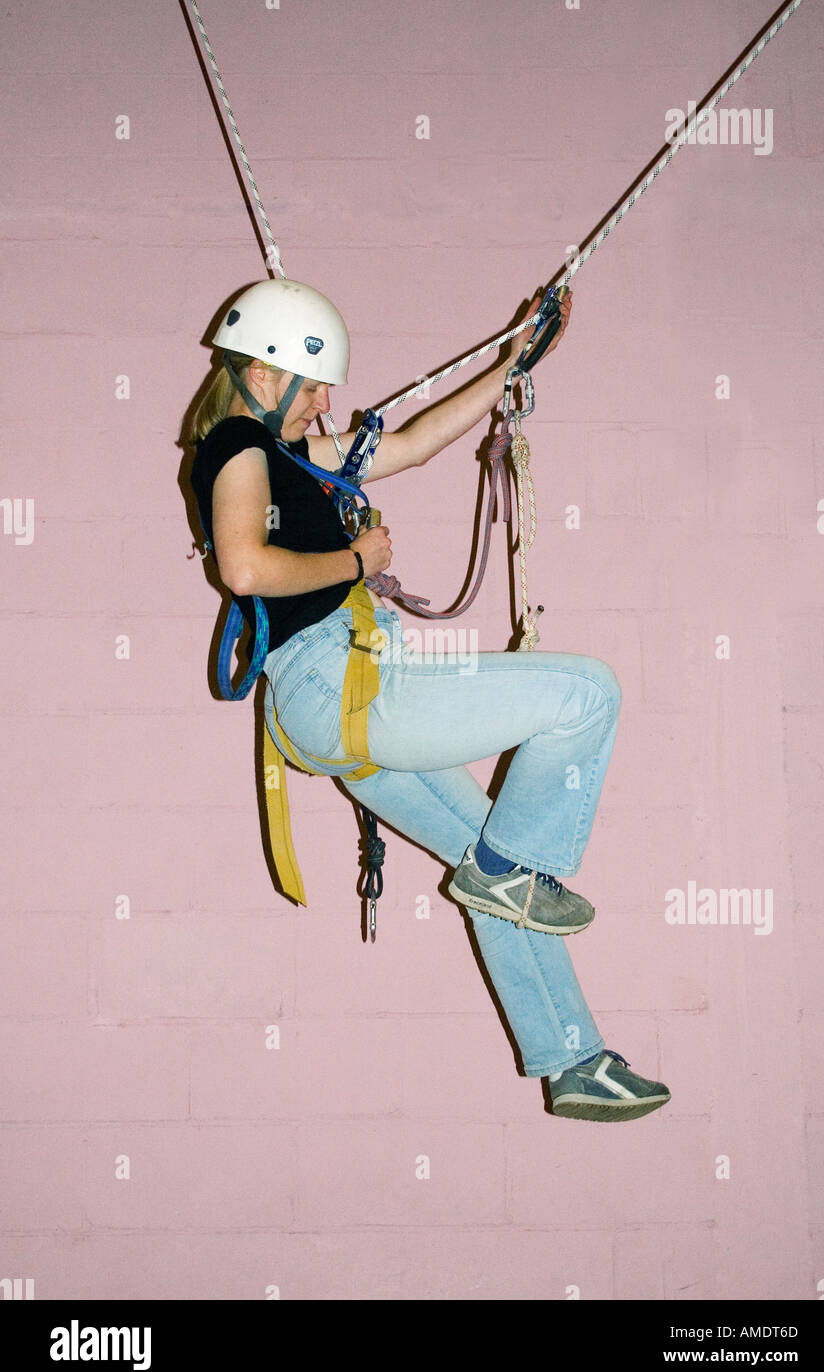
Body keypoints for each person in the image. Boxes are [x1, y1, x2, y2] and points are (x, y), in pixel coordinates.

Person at [187, 278, 670, 1122]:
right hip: (343, 682)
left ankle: (574, 1059)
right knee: (586, 693)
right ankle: (512, 877)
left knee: (494, 862)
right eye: (316, 385)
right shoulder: (236, 443)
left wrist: (511, 362)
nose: (328, 402)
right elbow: (245, 568)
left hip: (333, 713)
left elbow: (409, 443)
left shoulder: (290, 457)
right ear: (264, 377)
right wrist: (358, 563)